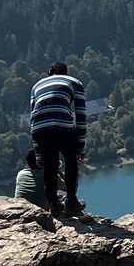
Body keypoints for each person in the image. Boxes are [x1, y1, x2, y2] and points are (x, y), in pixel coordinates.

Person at [29, 60, 87, 218]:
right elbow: (81, 115)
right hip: (62, 125)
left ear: (49, 73)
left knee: (49, 165)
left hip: (39, 128)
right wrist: (80, 148)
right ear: (65, 73)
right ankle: (71, 202)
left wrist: (38, 153)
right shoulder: (74, 82)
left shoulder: (36, 86)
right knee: (71, 160)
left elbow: (32, 119)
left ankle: (53, 205)